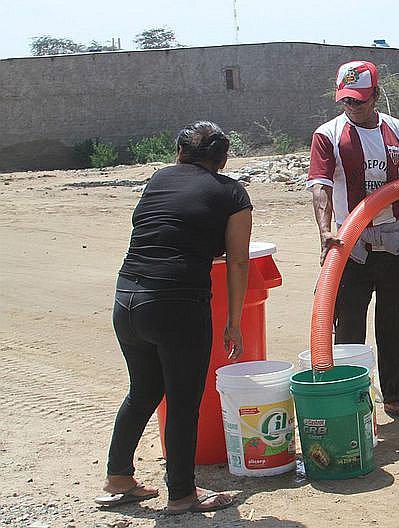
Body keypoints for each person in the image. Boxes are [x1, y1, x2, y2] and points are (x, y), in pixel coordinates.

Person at [94, 121, 250, 514]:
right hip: (177, 306)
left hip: (128, 299)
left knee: (143, 391)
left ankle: (118, 477)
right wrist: (233, 322)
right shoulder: (232, 192)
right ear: (223, 159)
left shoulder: (158, 179)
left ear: (179, 153)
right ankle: (182, 494)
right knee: (182, 402)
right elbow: (238, 260)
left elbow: (160, 228)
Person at [307, 60, 399, 421]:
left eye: (359, 100)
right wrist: (326, 232)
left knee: (398, 322)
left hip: (396, 241)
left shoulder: (398, 131)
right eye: (346, 100)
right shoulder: (328, 135)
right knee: (347, 327)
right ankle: (348, 399)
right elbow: (321, 187)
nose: (352, 106)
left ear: (375, 95)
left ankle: (397, 396)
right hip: (350, 245)